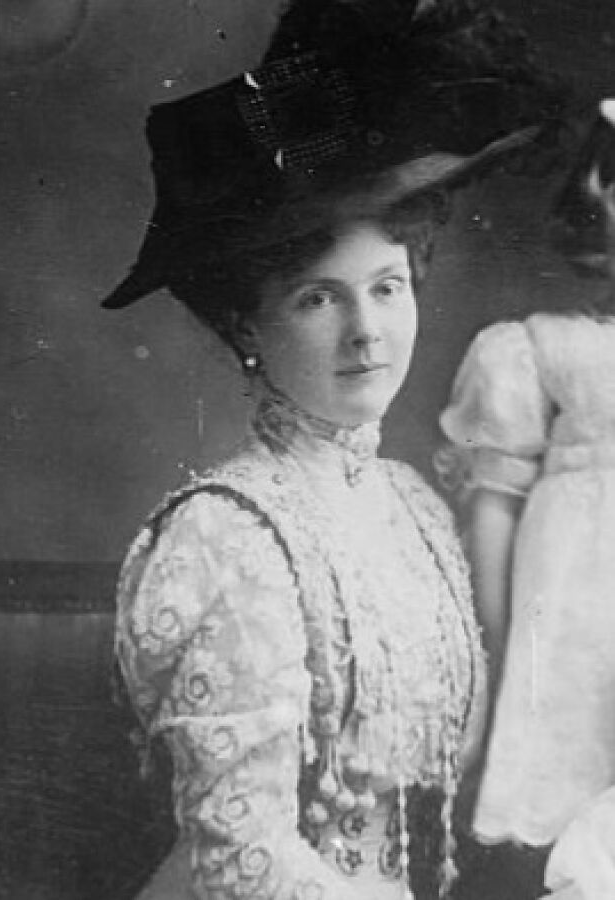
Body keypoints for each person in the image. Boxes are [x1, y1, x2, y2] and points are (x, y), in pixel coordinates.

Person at [104, 2, 563, 898]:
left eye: (386, 287)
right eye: (319, 298)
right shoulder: (225, 538)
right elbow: (240, 859)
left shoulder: (412, 509)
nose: (368, 332)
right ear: (246, 323)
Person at [437, 98, 615, 900]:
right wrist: (508, 655)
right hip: (579, 622)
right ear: (599, 198)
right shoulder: (543, 347)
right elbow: (495, 508)